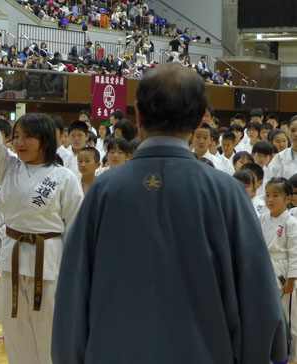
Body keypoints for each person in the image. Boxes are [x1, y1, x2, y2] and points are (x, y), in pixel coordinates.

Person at [52, 62, 289, 364]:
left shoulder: (103, 191)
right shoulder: (226, 193)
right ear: (201, 117)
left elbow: (71, 296)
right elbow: (261, 304)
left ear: (137, 114)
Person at [0, 61, 84, 364]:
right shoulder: (7, 167)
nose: (19, 142)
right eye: (17, 136)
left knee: (51, 338)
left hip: (49, 264)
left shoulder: (64, 178)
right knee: (16, 337)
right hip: (11, 260)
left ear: (45, 140)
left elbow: (77, 230)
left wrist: (77, 278)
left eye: (28, 137)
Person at [260, 177, 297, 362]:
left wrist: (292, 279)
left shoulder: (291, 222)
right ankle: (270, 355)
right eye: (267, 195)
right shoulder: (263, 217)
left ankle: (291, 357)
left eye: (276, 195)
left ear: (288, 198)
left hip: (283, 273)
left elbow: (295, 252)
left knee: (288, 320)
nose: (270, 199)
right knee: (267, 316)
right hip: (265, 269)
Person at [267, 116, 297, 180]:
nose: (296, 134)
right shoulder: (279, 158)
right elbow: (270, 183)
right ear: (288, 132)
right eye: (292, 130)